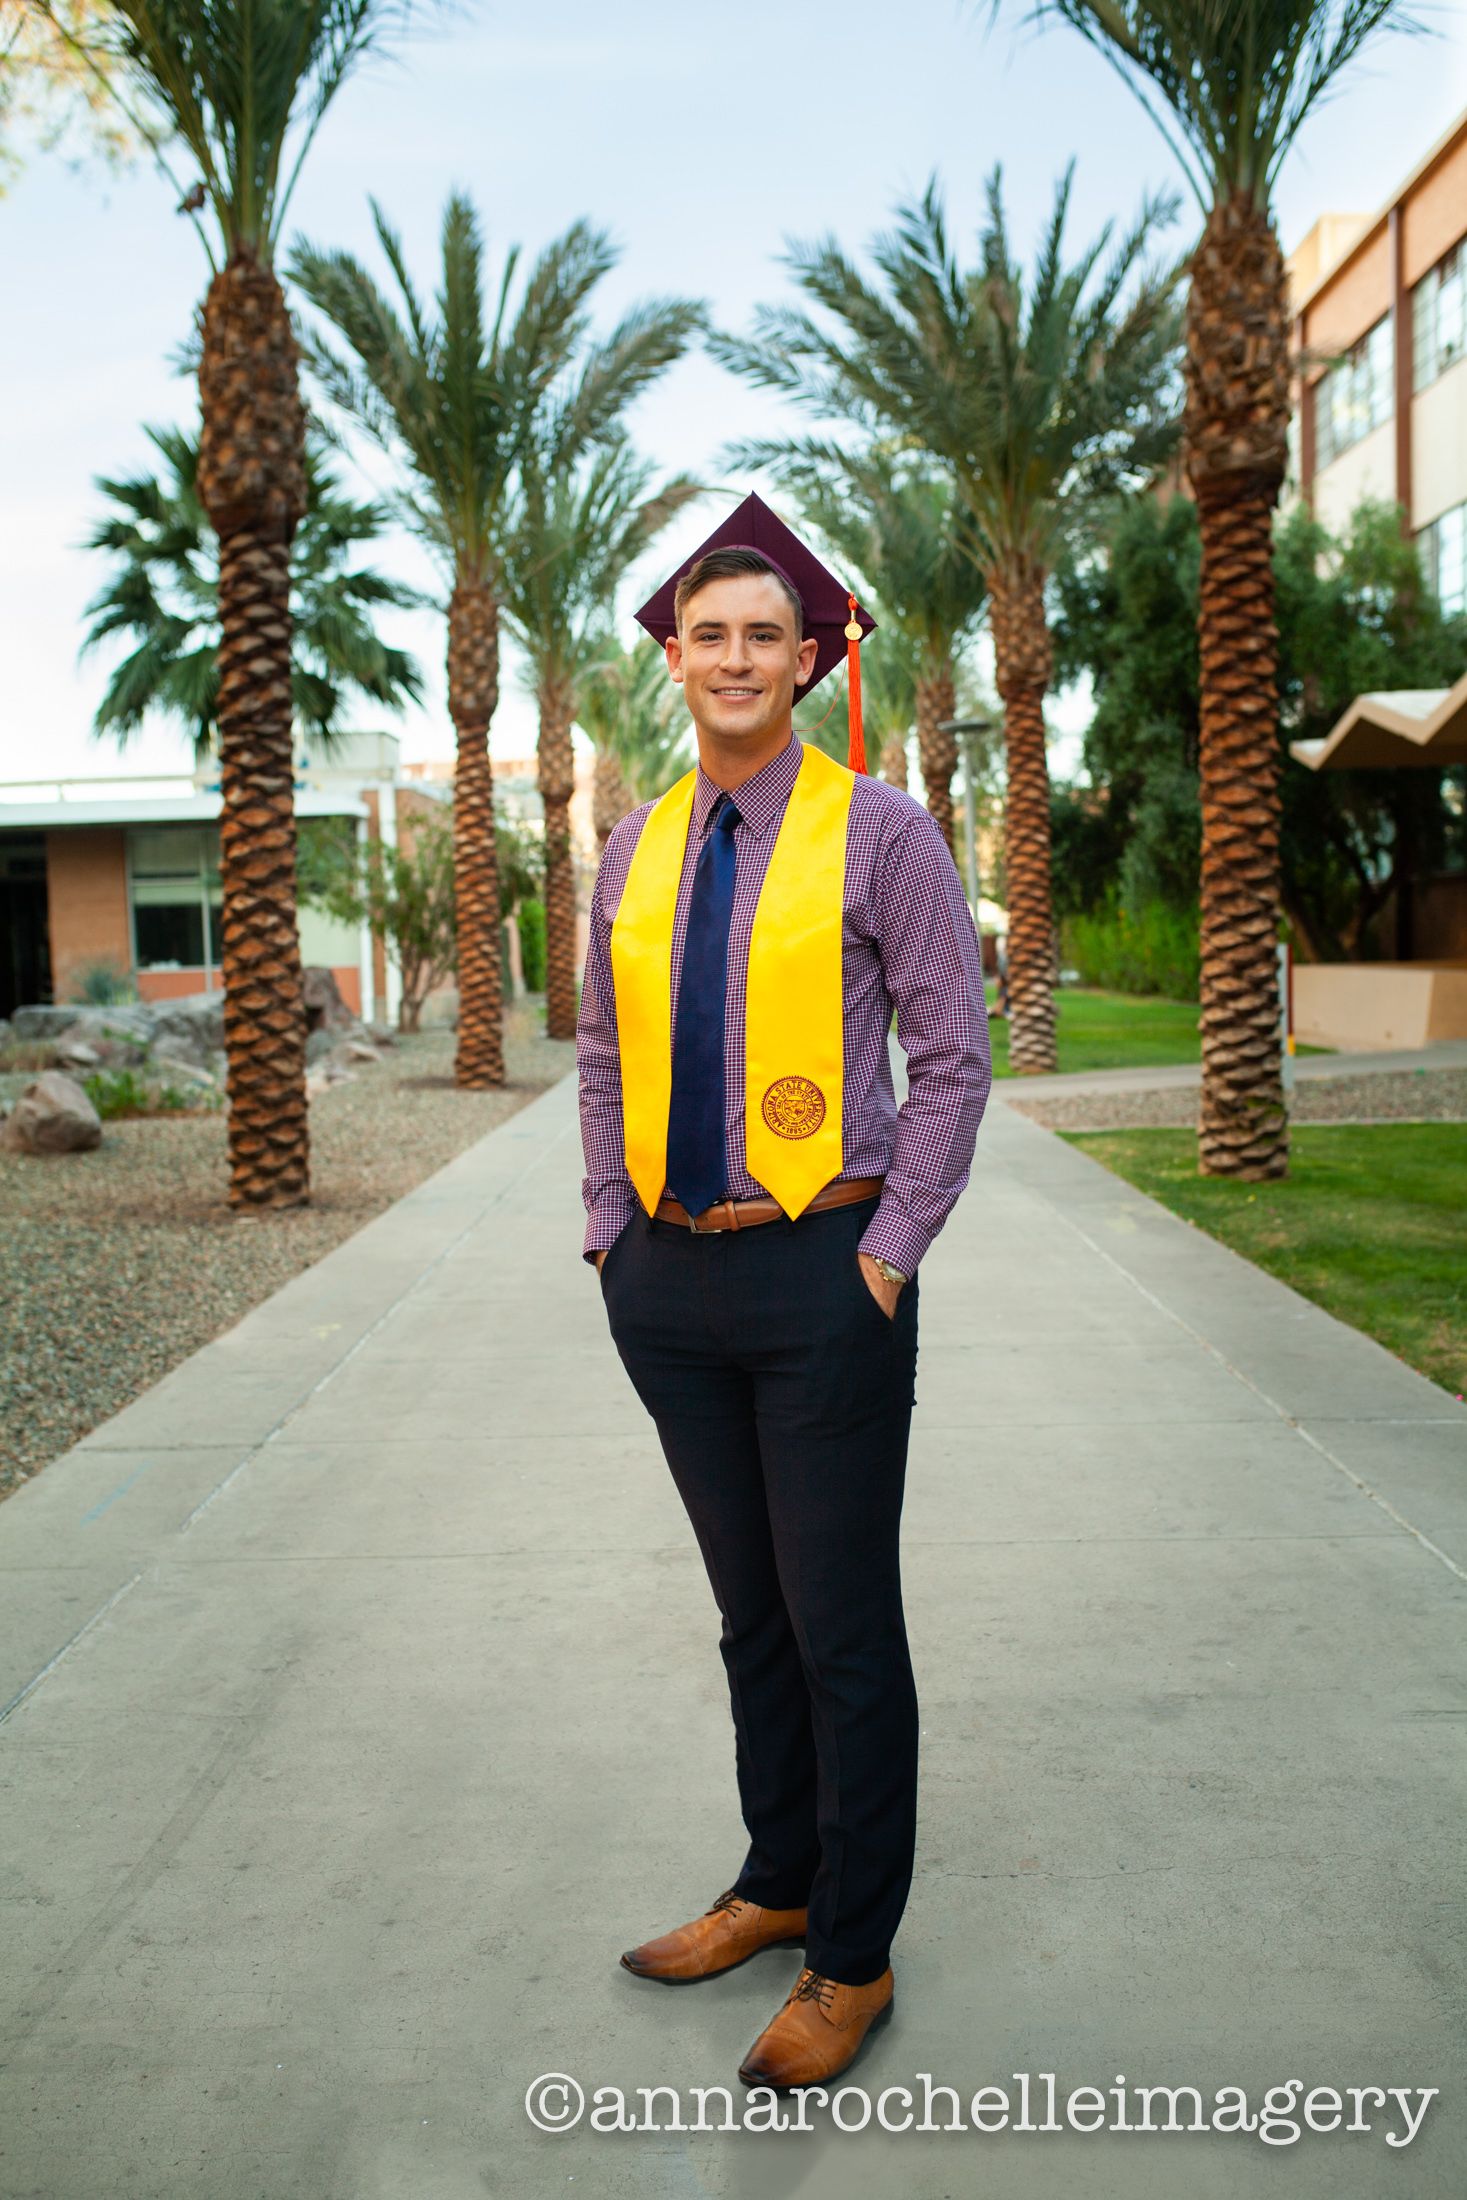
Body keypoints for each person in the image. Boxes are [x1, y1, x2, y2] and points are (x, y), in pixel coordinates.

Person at [577, 494, 990, 2089]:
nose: (737, 657)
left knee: (838, 1627)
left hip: (827, 1263)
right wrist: (614, 1232)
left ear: (809, 660)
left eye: (766, 635)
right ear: (674, 660)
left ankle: (852, 1958)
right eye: (710, 634)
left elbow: (952, 1063)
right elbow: (609, 1056)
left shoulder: (883, 832)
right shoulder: (637, 842)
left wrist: (889, 1257)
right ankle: (777, 1880)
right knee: (751, 1616)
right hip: (671, 1280)